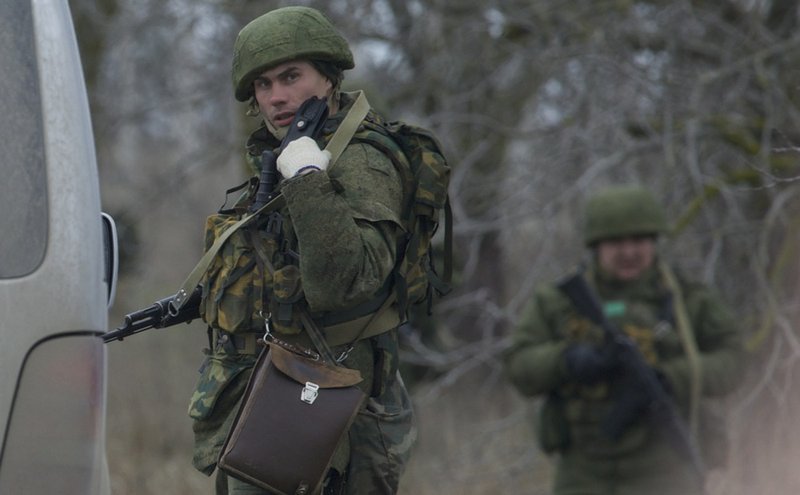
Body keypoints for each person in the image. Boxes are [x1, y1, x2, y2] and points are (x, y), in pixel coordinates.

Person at [186, 6, 421, 494]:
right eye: (264, 85)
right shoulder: (287, 153)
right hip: (267, 409)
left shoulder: (361, 162)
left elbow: (345, 281)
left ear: (330, 79)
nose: (277, 96)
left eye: (291, 77)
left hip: (326, 421)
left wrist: (309, 179)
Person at [505, 184, 743, 495]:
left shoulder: (687, 301)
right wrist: (569, 360)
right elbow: (519, 365)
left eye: (639, 240)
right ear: (596, 246)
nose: (629, 252)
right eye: (616, 242)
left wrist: (672, 378)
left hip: (665, 468)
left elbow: (734, 361)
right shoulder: (559, 302)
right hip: (584, 470)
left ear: (654, 242)